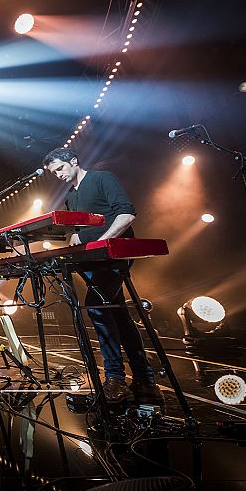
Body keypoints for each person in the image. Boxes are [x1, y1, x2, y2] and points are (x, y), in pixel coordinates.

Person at [43, 148, 161, 405]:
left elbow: (126, 214)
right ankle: (145, 381)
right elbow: (80, 232)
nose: (59, 175)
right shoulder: (71, 197)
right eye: (54, 173)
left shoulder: (102, 179)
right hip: (92, 261)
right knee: (119, 314)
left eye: (60, 168)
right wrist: (75, 241)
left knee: (97, 308)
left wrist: (103, 243)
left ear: (74, 161)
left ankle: (116, 380)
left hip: (112, 256)